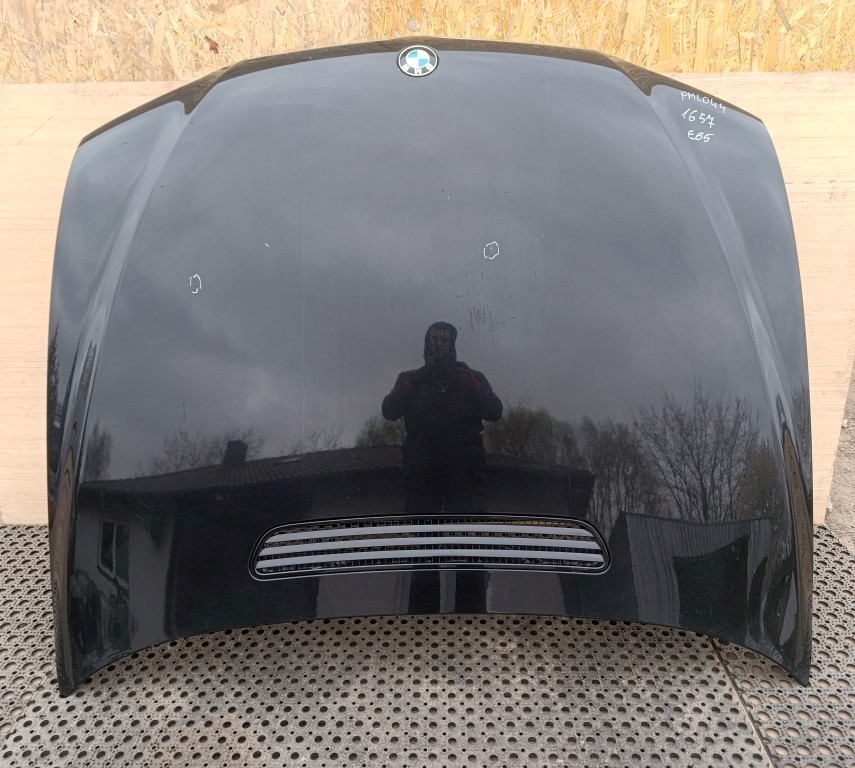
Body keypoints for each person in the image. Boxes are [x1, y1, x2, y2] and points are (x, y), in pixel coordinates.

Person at [382, 322, 502, 512]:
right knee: (423, 527)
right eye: (434, 338)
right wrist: (410, 385)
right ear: (427, 342)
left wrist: (474, 385)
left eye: (444, 339)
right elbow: (388, 411)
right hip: (420, 474)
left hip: (466, 474)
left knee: (466, 527)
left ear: (452, 343)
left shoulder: (472, 376)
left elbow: (495, 412)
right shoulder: (410, 378)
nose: (438, 343)